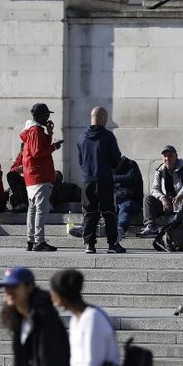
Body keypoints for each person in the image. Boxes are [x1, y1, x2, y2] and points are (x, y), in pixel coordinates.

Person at [77, 106, 125, 255]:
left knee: (89, 213)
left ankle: (89, 245)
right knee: (109, 212)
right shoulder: (108, 136)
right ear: (103, 118)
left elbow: (80, 161)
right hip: (104, 179)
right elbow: (116, 159)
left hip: (86, 181)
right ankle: (112, 244)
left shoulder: (81, 137)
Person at [21, 103, 63, 252]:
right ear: (40, 116)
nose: (48, 117)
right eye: (46, 115)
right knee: (41, 210)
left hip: (32, 176)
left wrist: (50, 133)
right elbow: (38, 152)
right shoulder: (35, 131)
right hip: (39, 176)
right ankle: (39, 241)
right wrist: (54, 147)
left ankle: (30, 240)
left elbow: (38, 148)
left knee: (32, 210)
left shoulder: (34, 131)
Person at [136, 145, 183, 238]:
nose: (167, 158)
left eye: (170, 155)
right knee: (148, 199)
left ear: (176, 156)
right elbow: (154, 189)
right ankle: (151, 227)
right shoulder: (160, 170)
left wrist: (180, 195)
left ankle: (176, 222)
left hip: (182, 202)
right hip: (168, 203)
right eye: (165, 156)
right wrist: (163, 198)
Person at [113, 156, 144, 242]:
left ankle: (121, 229)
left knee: (125, 207)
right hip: (117, 199)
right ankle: (87, 226)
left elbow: (130, 177)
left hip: (133, 200)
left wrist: (112, 178)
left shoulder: (131, 165)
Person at [7, 142, 28, 213]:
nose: (24, 153)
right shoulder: (20, 156)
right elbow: (13, 168)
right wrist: (18, 168)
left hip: (34, 181)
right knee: (11, 175)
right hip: (24, 181)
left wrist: (27, 168)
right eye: (23, 151)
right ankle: (20, 203)